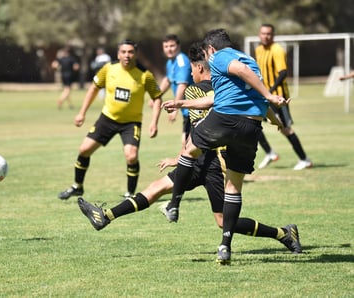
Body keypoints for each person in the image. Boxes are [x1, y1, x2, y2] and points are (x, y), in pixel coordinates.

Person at [77, 42, 302, 256]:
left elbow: (202, 128)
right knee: (156, 188)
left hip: (214, 163)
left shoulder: (198, 92)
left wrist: (181, 154)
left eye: (192, 70)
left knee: (224, 221)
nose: (190, 76)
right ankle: (105, 216)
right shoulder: (226, 85)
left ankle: (282, 233)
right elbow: (247, 106)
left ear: (198, 66)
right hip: (199, 160)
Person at [161, 29, 289, 265]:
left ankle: (175, 203)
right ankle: (225, 246)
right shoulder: (249, 60)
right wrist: (277, 120)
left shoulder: (219, 56)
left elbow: (244, 79)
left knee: (189, 149)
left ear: (210, 49)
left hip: (226, 119)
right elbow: (236, 96)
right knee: (233, 186)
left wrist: (269, 95)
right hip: (251, 127)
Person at [58, 39, 163, 201]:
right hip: (107, 119)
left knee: (131, 156)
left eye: (130, 52)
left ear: (135, 54)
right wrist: (81, 113)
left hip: (131, 123)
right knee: (84, 150)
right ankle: (77, 187)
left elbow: (157, 97)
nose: (127, 55)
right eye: (123, 52)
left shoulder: (145, 75)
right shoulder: (108, 69)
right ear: (118, 53)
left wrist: (154, 122)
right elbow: (94, 88)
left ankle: (130, 194)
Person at [255, 24, 313, 170]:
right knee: (252, 122)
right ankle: (270, 153)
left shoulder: (277, 50)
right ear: (259, 34)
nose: (265, 36)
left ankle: (304, 159)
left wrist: (270, 92)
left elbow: (283, 73)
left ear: (273, 35)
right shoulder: (258, 50)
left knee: (285, 129)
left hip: (278, 97)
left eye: (268, 34)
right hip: (264, 96)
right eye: (263, 33)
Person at [160, 34, 194, 143]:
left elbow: (182, 85)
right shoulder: (171, 62)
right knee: (187, 142)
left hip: (194, 108)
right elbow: (168, 80)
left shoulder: (181, 62)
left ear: (178, 46)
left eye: (172, 46)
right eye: (166, 46)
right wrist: (156, 95)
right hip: (186, 110)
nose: (169, 49)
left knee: (188, 143)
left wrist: (175, 107)